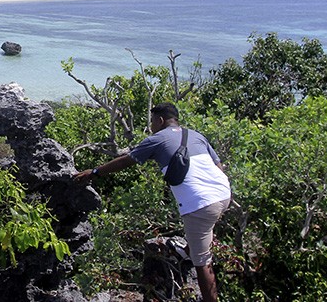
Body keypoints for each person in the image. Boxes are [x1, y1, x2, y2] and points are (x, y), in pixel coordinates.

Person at [75, 102, 231, 302]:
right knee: (203, 225)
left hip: (200, 204)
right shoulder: (196, 134)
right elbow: (218, 165)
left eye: (151, 121)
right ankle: (189, 249)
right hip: (223, 194)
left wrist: (94, 172)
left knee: (203, 263)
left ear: (160, 120)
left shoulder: (156, 139)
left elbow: (126, 160)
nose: (151, 125)